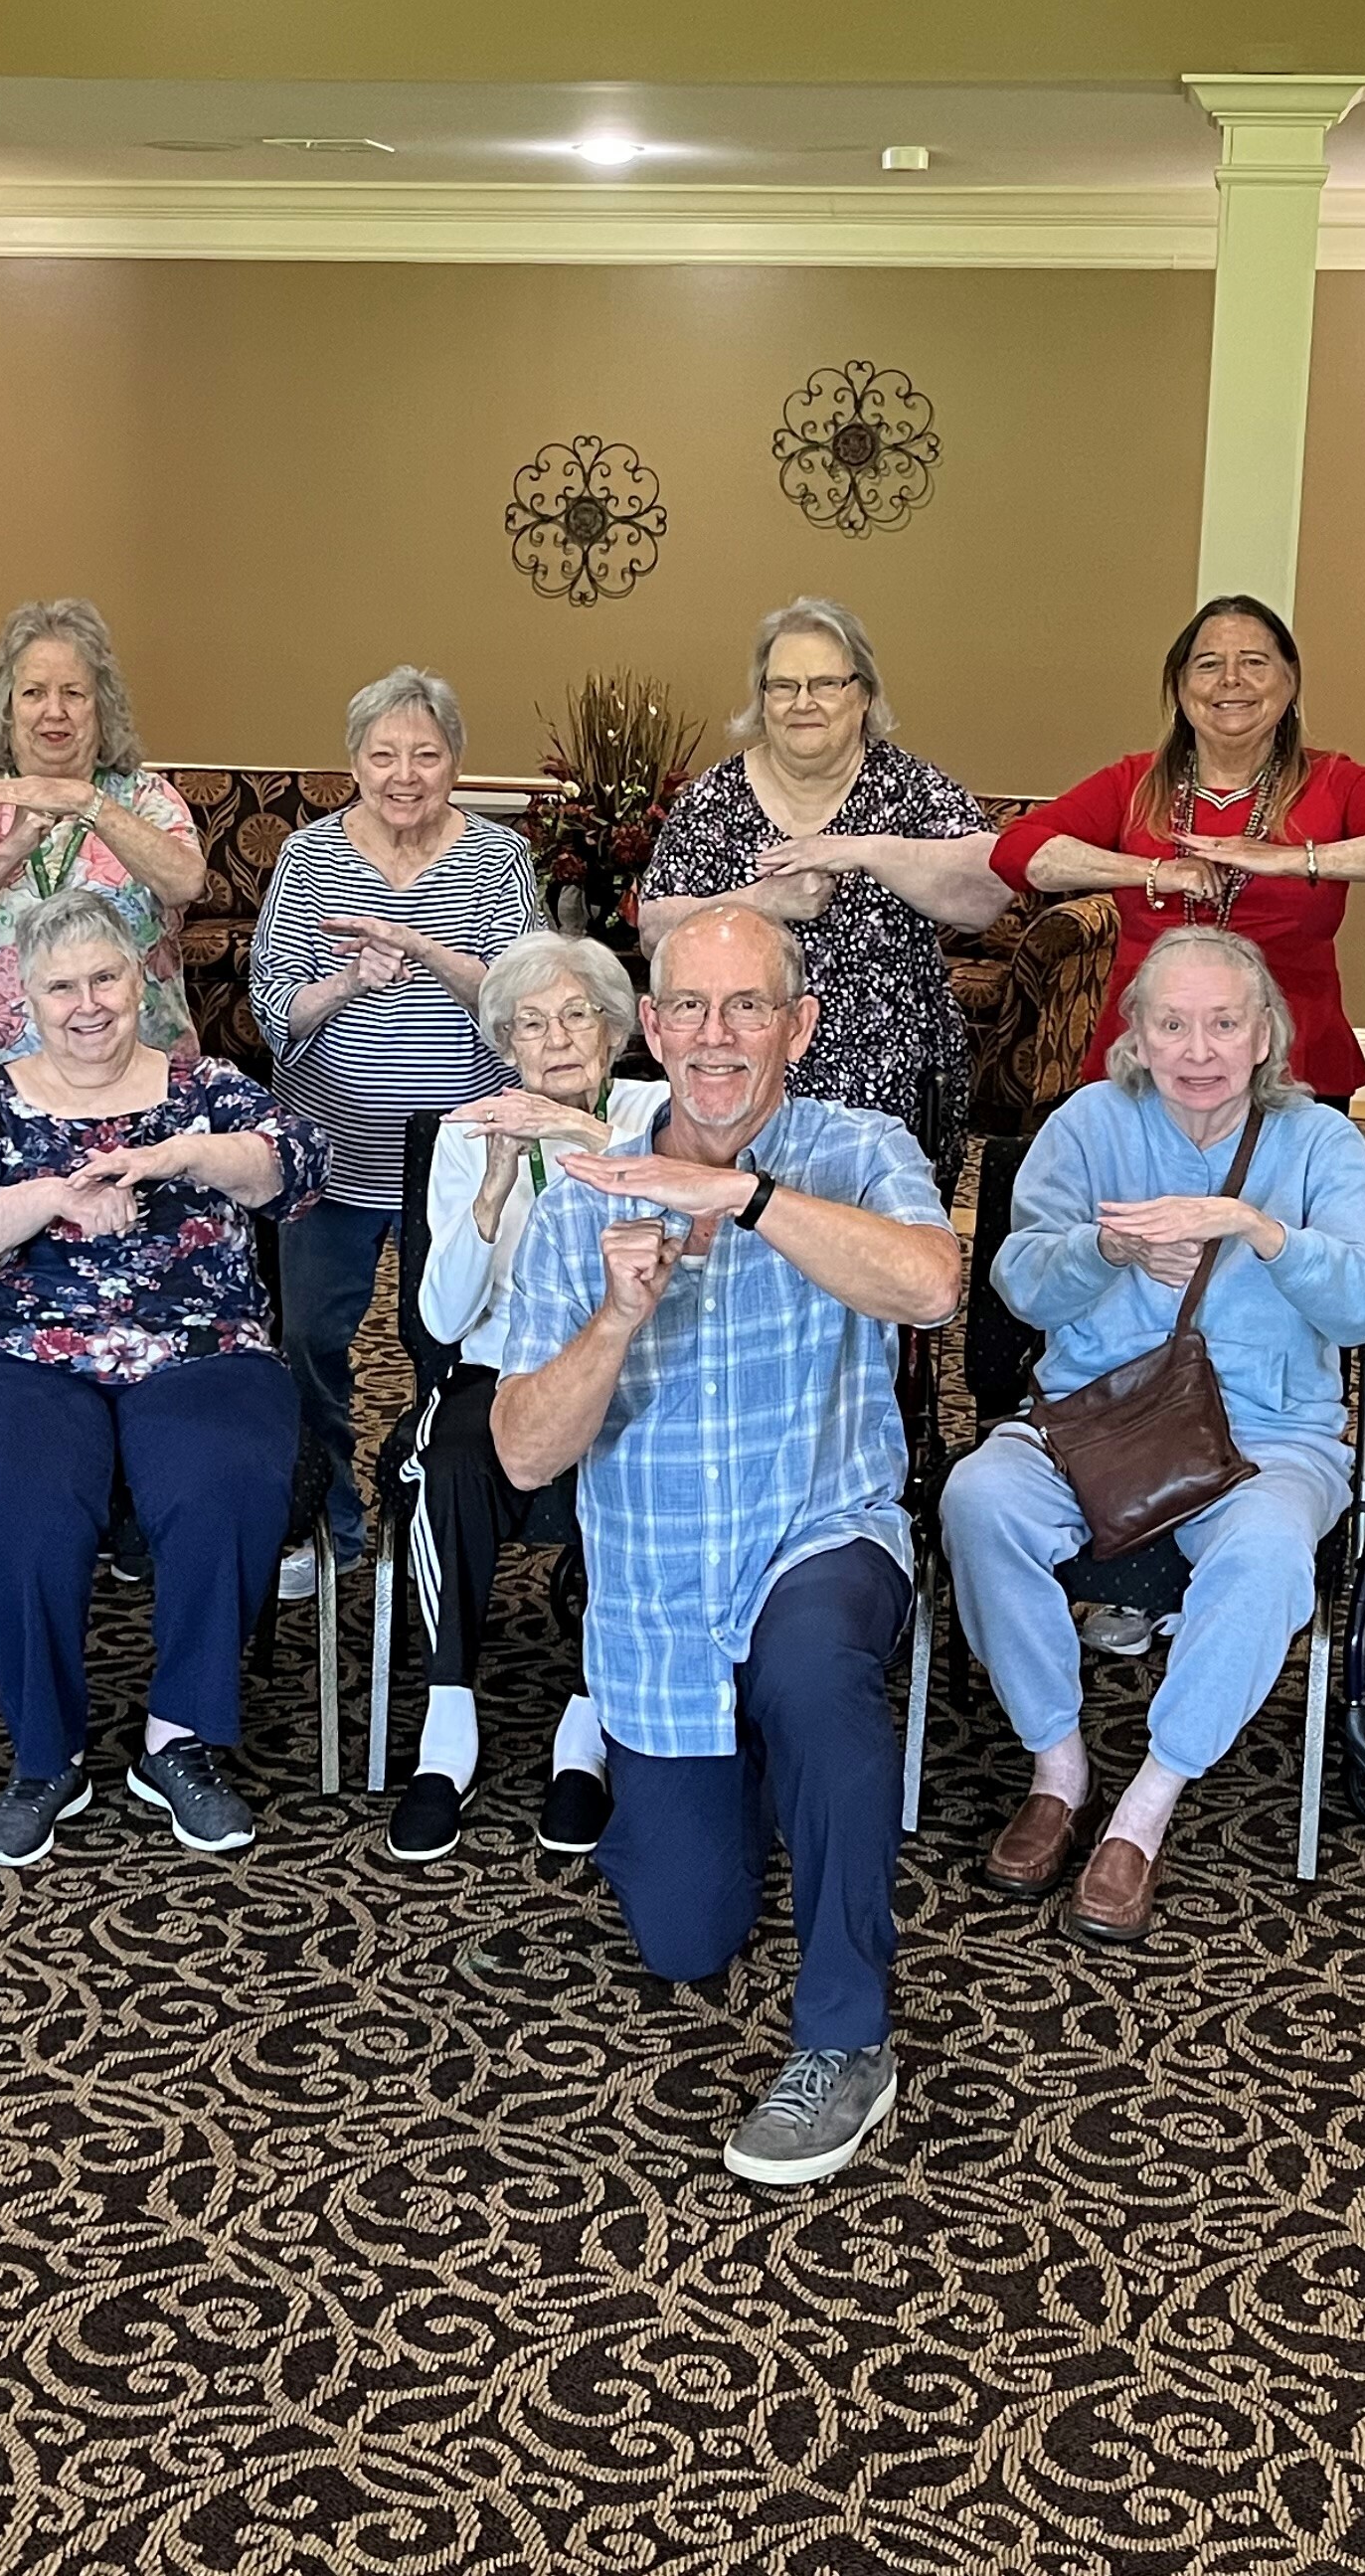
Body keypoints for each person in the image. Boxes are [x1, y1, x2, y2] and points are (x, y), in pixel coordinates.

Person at [492, 906, 961, 2189]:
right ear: (649, 1026)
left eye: (747, 1007)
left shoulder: (856, 1149)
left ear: (798, 1027)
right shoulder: (581, 1197)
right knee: (686, 1938)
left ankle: (848, 2040)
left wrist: (745, 1198)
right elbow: (526, 1455)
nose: (714, 1037)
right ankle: (750, 1774)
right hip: (658, 1601)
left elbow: (929, 1286)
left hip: (821, 1533)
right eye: (687, 1009)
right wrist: (613, 1320)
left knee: (813, 1675)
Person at [942, 932, 1365, 1945]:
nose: (1199, 1049)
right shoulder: (1088, 1125)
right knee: (978, 1500)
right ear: (1136, 1037)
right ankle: (1058, 1768)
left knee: (1268, 1551)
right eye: (1173, 1024)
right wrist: (1104, 1249)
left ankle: (1144, 1809)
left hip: (1268, 1436)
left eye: (1224, 1023)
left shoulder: (1316, 1141)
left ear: (1265, 1033)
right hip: (1097, 1417)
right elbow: (1019, 1281)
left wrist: (1260, 1230)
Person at [0, 888, 327, 1870]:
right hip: (13, 1351)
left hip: (196, 1342)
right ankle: (46, 1756)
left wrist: (184, 1155)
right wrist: (50, 1195)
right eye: (62, 986)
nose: (87, 1003)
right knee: (19, 1496)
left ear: (142, 979)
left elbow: (302, 1167)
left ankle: (179, 1739)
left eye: (105, 977)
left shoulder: (205, 1086)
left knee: (222, 1478)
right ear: (27, 997)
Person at [248, 666, 540, 1593]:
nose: (404, 773)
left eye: (426, 753)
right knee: (308, 1342)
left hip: (457, 1157)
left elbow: (519, 998)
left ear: (456, 761)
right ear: (354, 763)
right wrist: (343, 984)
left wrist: (415, 947)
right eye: (384, 755)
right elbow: (271, 1010)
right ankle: (327, 1521)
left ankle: (431, 1516)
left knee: (444, 1344)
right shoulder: (308, 858)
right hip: (329, 1148)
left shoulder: (497, 860)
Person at [385, 931, 668, 1865]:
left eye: (576, 1015)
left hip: (631, 1360)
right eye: (530, 1024)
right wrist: (493, 1189)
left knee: (629, 1461)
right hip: (498, 1366)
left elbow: (696, 1225)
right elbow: (442, 1316)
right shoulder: (471, 1132)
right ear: (504, 1044)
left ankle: (586, 1730)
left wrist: (585, 1139)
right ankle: (448, 1723)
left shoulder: (659, 1111)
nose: (555, 1040)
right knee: (446, 1463)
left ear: (615, 1029)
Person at [992, 596, 1365, 1107]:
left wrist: (1290, 859)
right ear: (1179, 686)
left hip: (1290, 1051)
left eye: (1255, 663)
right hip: (1152, 1048)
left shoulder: (1335, 781)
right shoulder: (1133, 782)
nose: (1231, 680)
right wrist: (1158, 872)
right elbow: (1016, 853)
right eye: (1208, 664)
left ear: (1290, 682)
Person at [639, 596, 1011, 1195]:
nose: (801, 703)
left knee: (876, 1262)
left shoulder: (910, 788)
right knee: (748, 1255)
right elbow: (656, 928)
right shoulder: (714, 798)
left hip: (893, 1096)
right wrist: (762, 900)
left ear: (863, 694)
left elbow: (986, 895)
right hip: (744, 1090)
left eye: (824, 684)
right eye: (782, 686)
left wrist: (864, 849)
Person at [0, 599, 207, 1106]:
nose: (54, 711)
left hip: (136, 1086)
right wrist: (11, 848)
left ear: (101, 708)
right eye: (34, 693)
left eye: (74, 693)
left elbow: (185, 882)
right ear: (7, 706)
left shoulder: (145, 798)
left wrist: (88, 801)